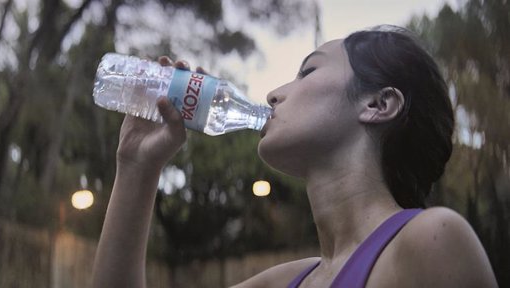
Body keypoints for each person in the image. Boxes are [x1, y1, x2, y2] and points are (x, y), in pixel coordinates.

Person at [91, 26, 498, 287]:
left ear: (378, 104)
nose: (273, 94)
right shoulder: (285, 281)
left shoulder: (432, 241)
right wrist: (136, 168)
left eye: (308, 71)